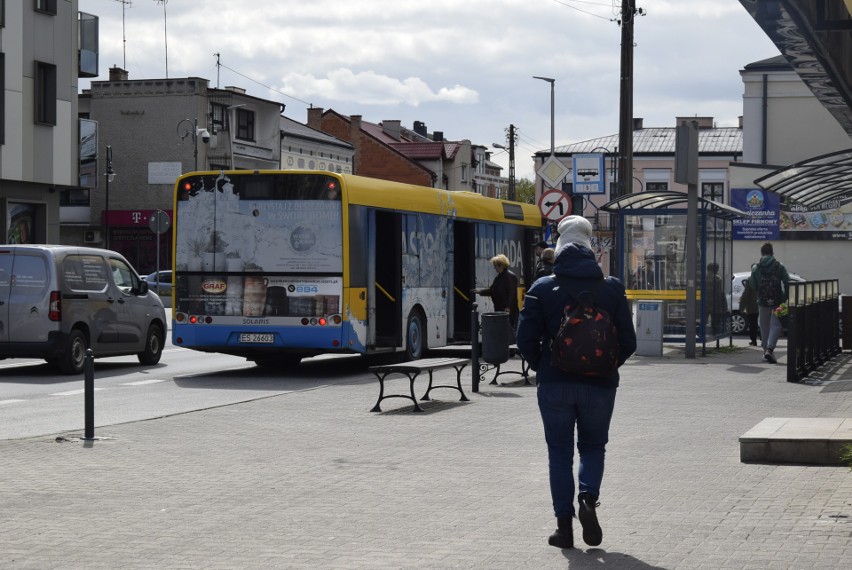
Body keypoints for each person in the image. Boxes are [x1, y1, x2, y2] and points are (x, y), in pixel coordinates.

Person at [516, 216, 637, 550]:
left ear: (559, 248)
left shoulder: (541, 289)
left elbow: (524, 339)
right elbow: (628, 341)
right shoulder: (612, 288)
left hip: (555, 384)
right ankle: (588, 497)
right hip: (600, 386)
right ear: (591, 248)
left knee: (559, 453)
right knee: (593, 446)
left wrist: (543, 366)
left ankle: (563, 529)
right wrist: (607, 367)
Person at [748, 242, 790, 364]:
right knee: (776, 325)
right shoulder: (779, 266)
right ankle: (770, 350)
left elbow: (752, 284)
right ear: (772, 252)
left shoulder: (756, 267)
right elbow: (787, 282)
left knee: (764, 326)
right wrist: (784, 297)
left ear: (761, 253)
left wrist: (760, 293)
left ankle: (766, 351)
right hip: (777, 301)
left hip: (762, 301)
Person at [473, 253, 519, 331]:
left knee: (508, 331)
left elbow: (512, 293)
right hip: (500, 308)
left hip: (506, 310)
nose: (495, 268)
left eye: (495, 266)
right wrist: (480, 292)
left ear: (501, 265)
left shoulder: (509, 276)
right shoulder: (499, 277)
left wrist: (508, 307)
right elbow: (492, 290)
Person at [706, 262, 728, 336]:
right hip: (714, 303)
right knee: (715, 322)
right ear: (716, 270)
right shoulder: (718, 278)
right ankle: (714, 335)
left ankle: (701, 334)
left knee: (703, 320)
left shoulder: (703, 277)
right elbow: (720, 292)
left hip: (704, 303)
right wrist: (724, 305)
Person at [739, 275, 760, 346]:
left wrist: (741, 307)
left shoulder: (750, 280)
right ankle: (764, 340)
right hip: (764, 304)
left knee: (753, 324)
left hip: (753, 306)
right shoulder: (765, 277)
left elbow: (746, 294)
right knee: (765, 323)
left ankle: (754, 340)